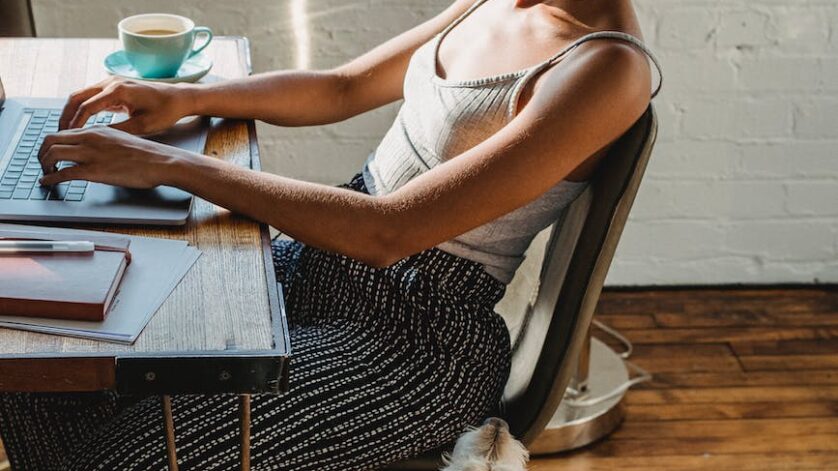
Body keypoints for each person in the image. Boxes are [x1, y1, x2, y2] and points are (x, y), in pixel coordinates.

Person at [0, 0, 660, 469]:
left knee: (124, 454)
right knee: (40, 359)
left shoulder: (606, 68)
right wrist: (186, 100)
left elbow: (389, 231)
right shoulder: (494, 2)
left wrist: (170, 163)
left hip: (415, 340)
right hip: (320, 265)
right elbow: (341, 87)